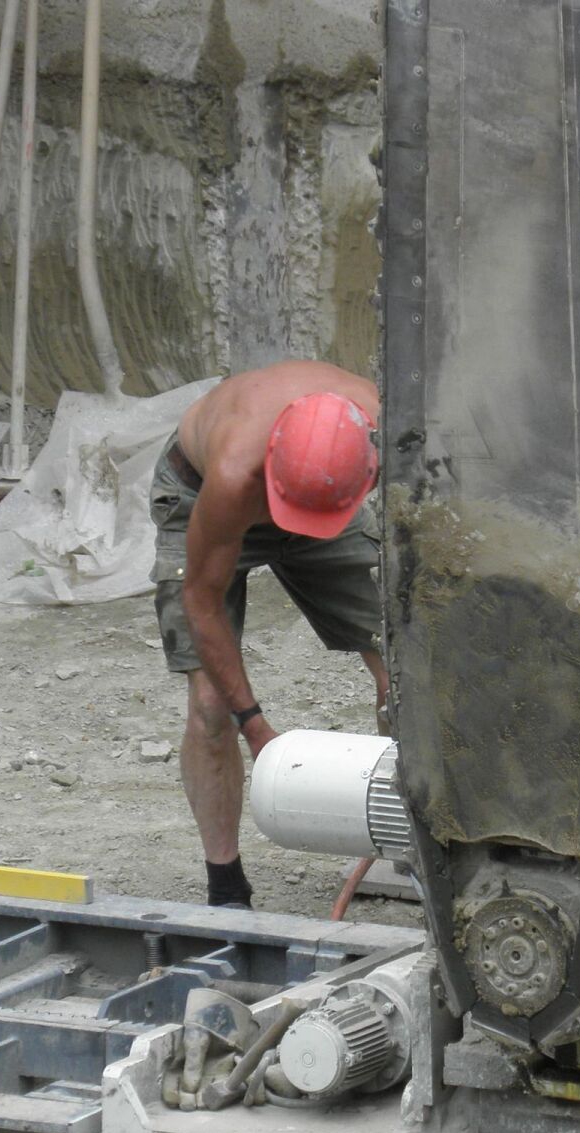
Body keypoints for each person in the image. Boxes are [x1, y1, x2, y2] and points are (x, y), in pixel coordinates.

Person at [151, 360, 386, 909]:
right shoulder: (233, 474)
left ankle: (415, 841)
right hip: (202, 498)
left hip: (330, 487)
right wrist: (255, 726)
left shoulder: (383, 430)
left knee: (404, 671)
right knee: (211, 706)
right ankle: (225, 885)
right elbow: (201, 601)